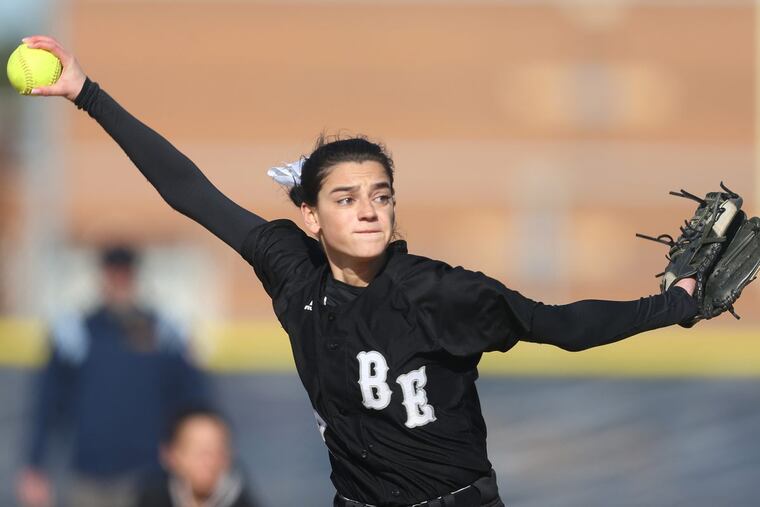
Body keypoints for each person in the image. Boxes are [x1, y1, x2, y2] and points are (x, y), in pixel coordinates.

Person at [21, 35, 699, 507]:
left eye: (380, 195)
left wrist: (671, 304)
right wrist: (86, 92)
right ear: (312, 217)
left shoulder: (442, 291)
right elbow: (190, 191)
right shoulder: (294, 272)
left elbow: (562, 326)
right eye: (345, 198)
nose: (369, 210)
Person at [17, 244, 209, 507]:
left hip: (150, 476)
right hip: (90, 476)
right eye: (113, 274)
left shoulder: (164, 332)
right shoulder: (76, 333)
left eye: (125, 274)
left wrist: (193, 459)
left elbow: (191, 402)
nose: (119, 282)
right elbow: (48, 405)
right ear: (103, 277)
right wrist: (35, 465)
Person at [137, 406, 259, 507]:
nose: (207, 461)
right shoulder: (145, 498)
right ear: (169, 455)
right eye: (197, 450)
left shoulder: (245, 502)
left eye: (215, 450)